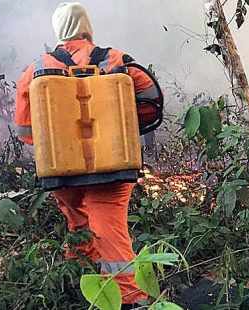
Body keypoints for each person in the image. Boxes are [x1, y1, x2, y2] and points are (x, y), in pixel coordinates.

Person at [14, 3, 154, 307]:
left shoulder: (36, 69)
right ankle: (127, 299)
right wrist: (128, 128)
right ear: (86, 25)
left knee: (79, 226)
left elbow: (26, 131)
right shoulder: (116, 59)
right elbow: (150, 99)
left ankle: (77, 288)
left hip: (62, 173)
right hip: (114, 171)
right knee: (111, 232)